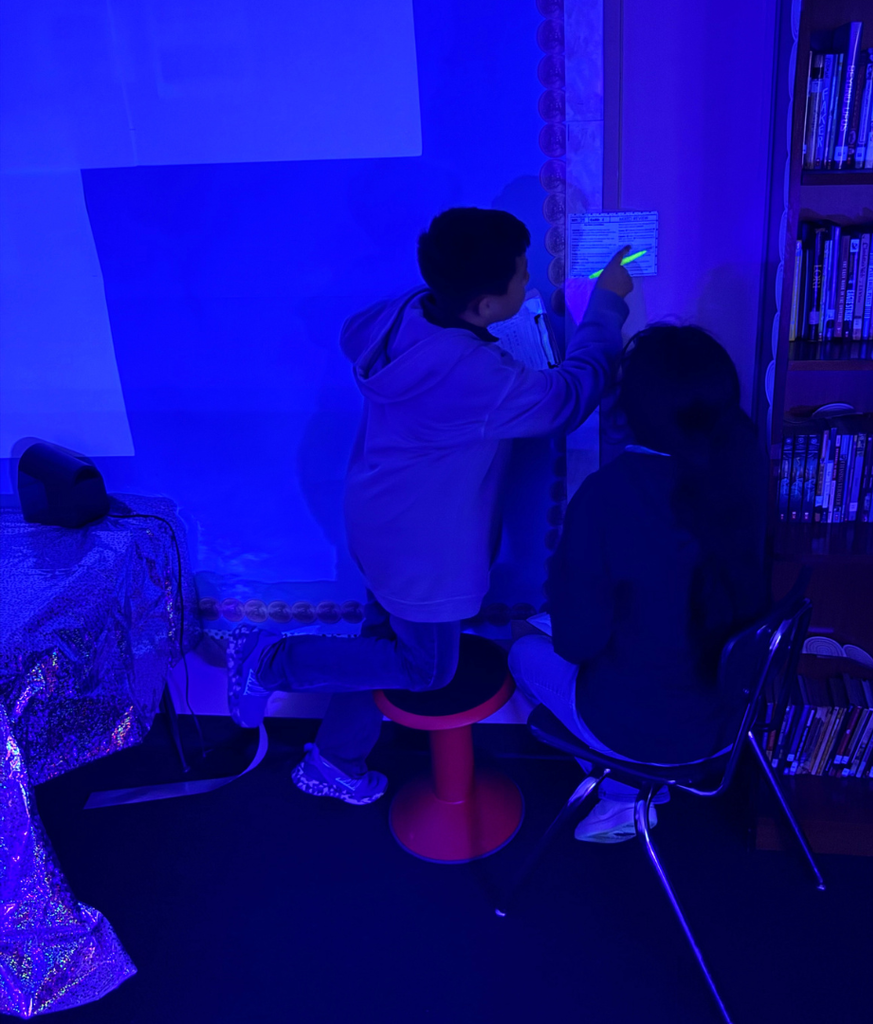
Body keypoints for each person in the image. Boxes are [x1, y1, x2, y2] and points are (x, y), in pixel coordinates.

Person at [228, 207, 634, 805]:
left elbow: (377, 332)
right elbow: (568, 399)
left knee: (378, 636)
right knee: (425, 668)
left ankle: (338, 758)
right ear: (483, 306)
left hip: (380, 515)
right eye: (521, 278)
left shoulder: (403, 312)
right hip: (423, 551)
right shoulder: (473, 374)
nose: (529, 286)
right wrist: (607, 305)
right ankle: (272, 659)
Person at [508, 324, 769, 843]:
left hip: (645, 729)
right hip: (730, 721)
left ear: (630, 410)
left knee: (520, 646)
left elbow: (577, 643)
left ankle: (624, 794)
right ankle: (638, 784)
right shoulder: (747, 465)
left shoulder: (608, 495)